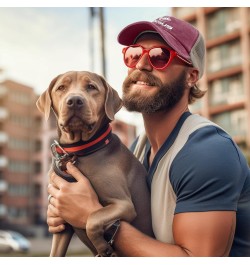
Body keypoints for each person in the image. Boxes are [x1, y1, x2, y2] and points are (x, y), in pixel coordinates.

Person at [47, 15, 250, 257]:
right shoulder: (136, 149)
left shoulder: (207, 151)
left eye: (159, 56)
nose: (141, 64)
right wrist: (67, 211)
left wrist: (93, 216)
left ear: (191, 76)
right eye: (134, 54)